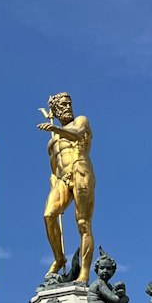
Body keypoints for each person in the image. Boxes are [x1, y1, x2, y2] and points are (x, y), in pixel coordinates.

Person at [38, 92, 95, 283]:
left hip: (81, 169)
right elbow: (54, 168)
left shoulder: (81, 120)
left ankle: (84, 273)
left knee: (83, 223)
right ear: (55, 110)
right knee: (49, 214)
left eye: (68, 104)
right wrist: (53, 181)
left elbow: (78, 134)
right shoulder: (51, 142)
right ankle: (59, 257)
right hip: (62, 179)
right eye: (62, 105)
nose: (67, 108)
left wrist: (55, 128)